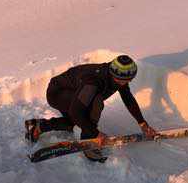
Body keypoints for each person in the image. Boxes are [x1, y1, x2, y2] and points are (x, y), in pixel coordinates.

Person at [25, 55, 157, 162]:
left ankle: (39, 126)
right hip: (58, 93)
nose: (127, 83)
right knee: (93, 106)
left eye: (129, 80)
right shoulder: (93, 81)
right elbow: (76, 112)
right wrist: (95, 134)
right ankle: (89, 143)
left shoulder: (118, 75)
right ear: (115, 75)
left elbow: (128, 98)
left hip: (74, 93)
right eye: (125, 80)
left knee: (79, 123)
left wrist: (142, 123)